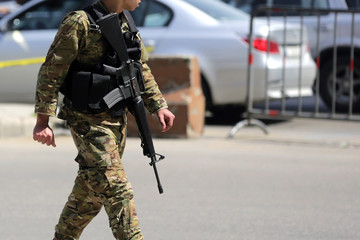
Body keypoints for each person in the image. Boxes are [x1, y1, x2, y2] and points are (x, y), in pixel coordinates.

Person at [32, 0, 175, 239]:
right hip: (88, 122)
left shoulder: (126, 21)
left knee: (90, 195)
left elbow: (139, 68)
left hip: (116, 120)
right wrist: (42, 121)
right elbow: (53, 69)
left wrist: (158, 105)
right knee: (117, 189)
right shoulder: (80, 22)